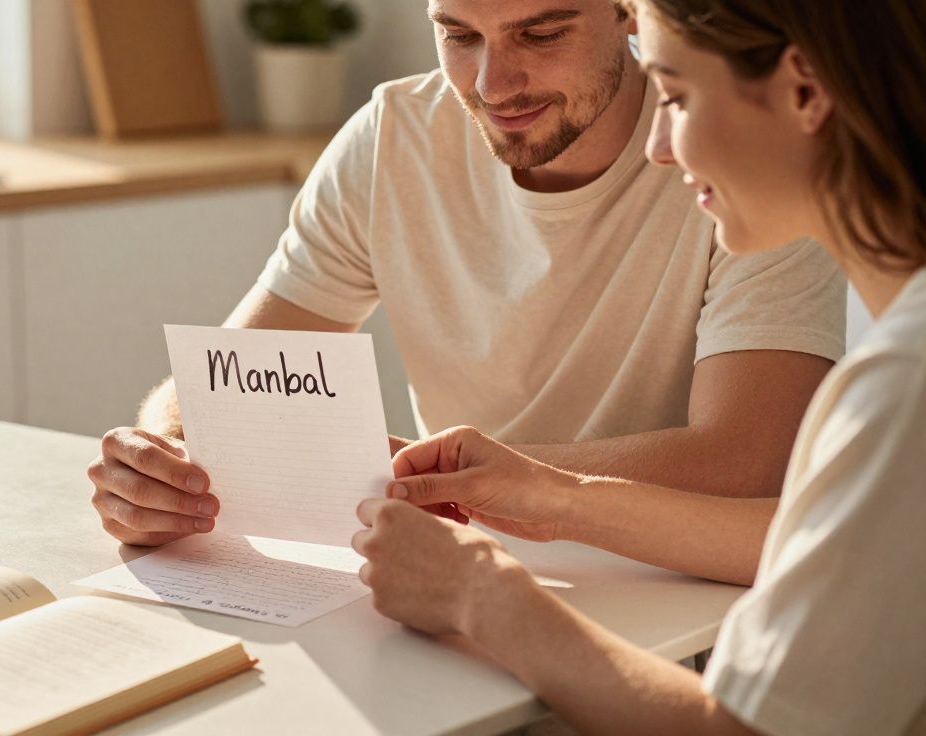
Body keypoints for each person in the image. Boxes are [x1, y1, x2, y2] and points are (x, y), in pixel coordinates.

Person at [353, 0, 926, 732]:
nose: (658, 144)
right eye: (458, 35)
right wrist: (549, 494)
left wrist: (480, 594)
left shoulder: (901, 390)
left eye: (678, 98)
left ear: (806, 90)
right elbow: (821, 540)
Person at [88, 0, 846, 547]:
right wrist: (165, 465)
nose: (494, 84)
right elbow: (234, 377)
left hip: (675, 589)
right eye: (458, 35)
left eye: (541, 33)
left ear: (630, 13)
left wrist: (481, 482)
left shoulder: (729, 156)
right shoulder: (395, 137)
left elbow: (749, 460)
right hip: (456, 569)